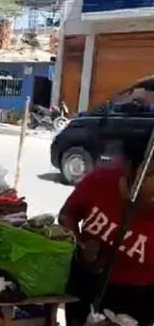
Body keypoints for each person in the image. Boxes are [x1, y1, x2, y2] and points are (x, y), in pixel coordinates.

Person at [59, 134, 154, 326]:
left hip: (134, 299)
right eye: (151, 174)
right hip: (84, 283)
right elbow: (67, 215)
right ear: (129, 168)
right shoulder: (100, 181)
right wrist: (81, 245)